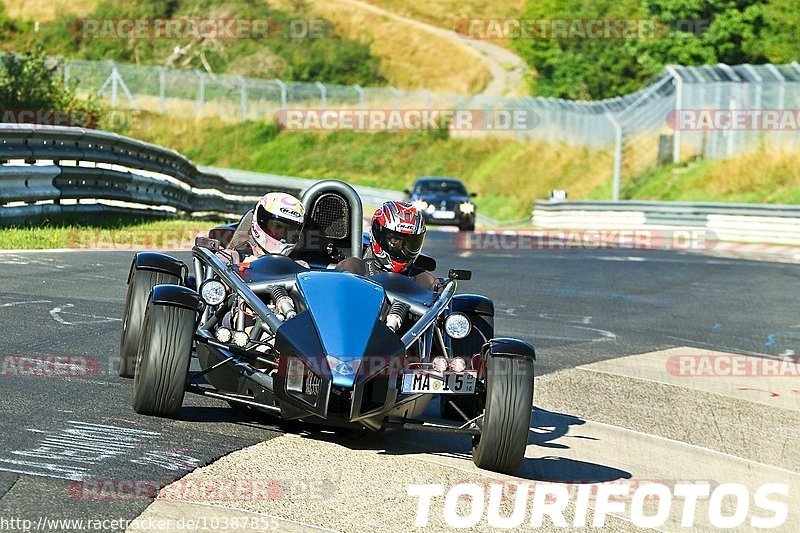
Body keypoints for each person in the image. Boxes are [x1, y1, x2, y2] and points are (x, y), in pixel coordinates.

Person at [338, 200, 441, 291]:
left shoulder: (425, 280)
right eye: (395, 239)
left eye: (410, 243)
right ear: (377, 233)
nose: (402, 248)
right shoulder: (353, 268)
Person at [220, 191, 306, 264]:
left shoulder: (300, 267)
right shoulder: (233, 258)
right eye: (277, 226)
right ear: (262, 221)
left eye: (289, 229)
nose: (282, 233)